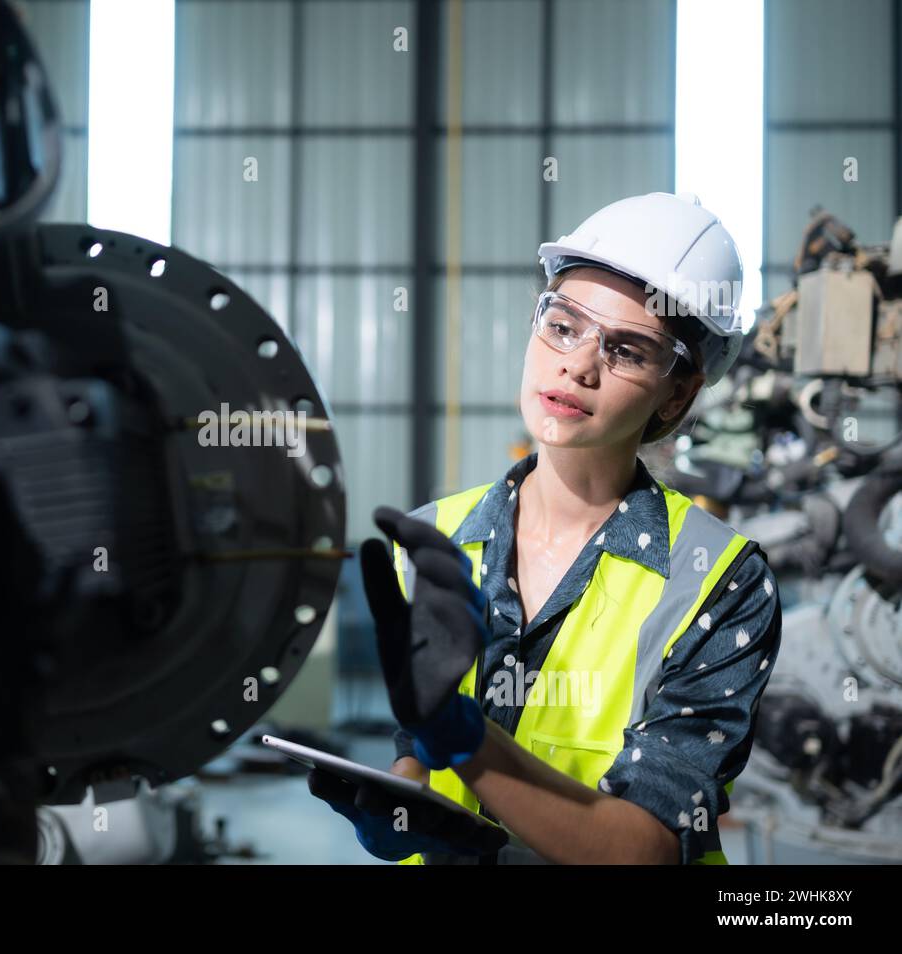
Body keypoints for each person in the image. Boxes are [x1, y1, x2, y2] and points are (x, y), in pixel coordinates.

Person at [309, 192, 782, 864]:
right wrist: (403, 799)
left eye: (627, 350)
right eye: (563, 326)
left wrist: (464, 736)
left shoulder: (720, 581)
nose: (579, 365)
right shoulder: (435, 536)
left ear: (676, 392)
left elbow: (642, 850)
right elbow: (417, 744)